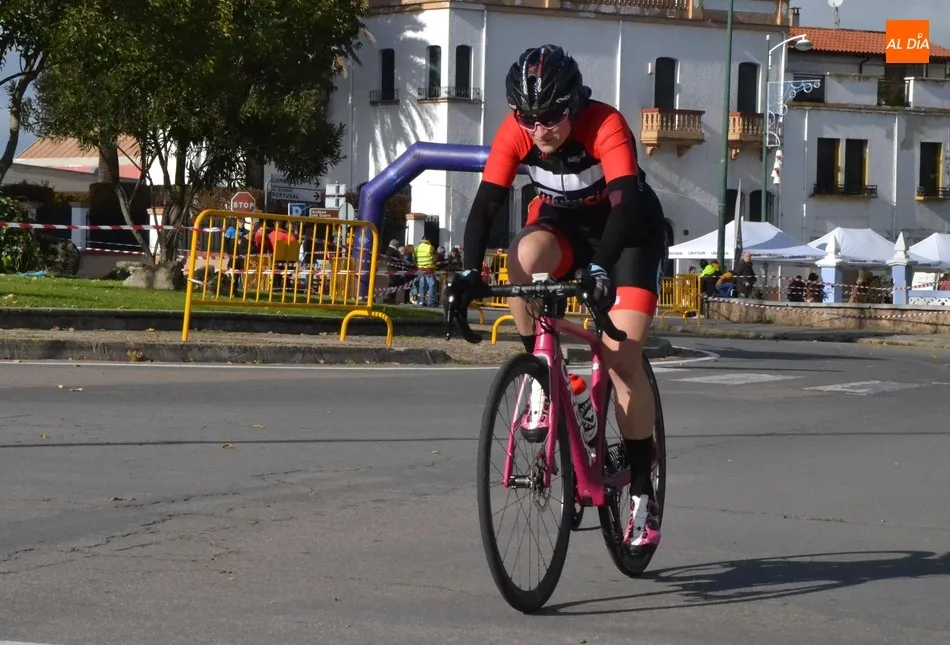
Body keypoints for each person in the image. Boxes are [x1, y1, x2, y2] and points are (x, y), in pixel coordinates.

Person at [444, 44, 667, 557]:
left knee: (622, 358)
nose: (538, 128)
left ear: (574, 103)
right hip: (562, 227)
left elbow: (624, 205)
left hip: (626, 234)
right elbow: (486, 206)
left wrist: (599, 269)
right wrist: (467, 273)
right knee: (522, 256)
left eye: (549, 117)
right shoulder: (516, 131)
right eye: (527, 117)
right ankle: (543, 374)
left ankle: (641, 490)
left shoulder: (605, 124)